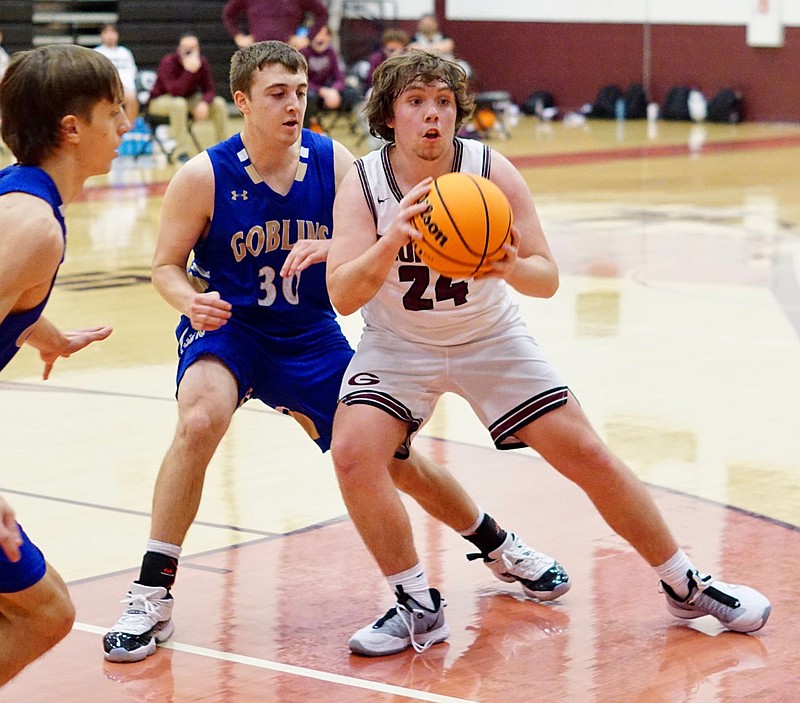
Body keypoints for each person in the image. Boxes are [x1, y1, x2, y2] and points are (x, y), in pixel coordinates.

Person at [102, 40, 568, 664]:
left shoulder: (335, 160)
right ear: (242, 101)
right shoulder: (203, 175)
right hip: (231, 329)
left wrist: (333, 251)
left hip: (310, 331)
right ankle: (150, 595)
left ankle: (499, 544)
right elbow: (162, 267)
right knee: (200, 419)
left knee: (389, 459)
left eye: (298, 92)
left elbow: (371, 231)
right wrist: (187, 300)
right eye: (277, 94)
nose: (293, 104)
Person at [325, 51, 772, 657]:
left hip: (490, 337)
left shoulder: (488, 168)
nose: (432, 115)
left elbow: (547, 277)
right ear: (389, 115)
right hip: (399, 344)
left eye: (444, 103)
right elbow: (343, 296)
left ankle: (685, 583)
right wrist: (389, 242)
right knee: (353, 453)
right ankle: (416, 605)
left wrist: (510, 264)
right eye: (416, 102)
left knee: (588, 452)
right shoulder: (365, 183)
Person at [0, 44, 125, 686]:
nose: (126, 125)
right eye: (114, 111)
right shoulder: (32, 224)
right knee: (44, 613)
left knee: (42, 610)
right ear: (71, 128)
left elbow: (6, 301)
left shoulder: (27, 205)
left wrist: (44, 333)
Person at [148, 34, 229, 163]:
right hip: (160, 100)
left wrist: (204, 103)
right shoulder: (168, 62)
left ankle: (225, 149)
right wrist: (189, 71)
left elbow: (210, 89)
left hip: (187, 99)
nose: (189, 52)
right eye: (186, 48)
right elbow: (175, 91)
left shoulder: (201, 62)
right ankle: (182, 152)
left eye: (193, 48)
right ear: (179, 49)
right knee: (178, 104)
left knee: (218, 103)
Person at [300, 25, 361, 130]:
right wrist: (322, 91)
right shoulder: (303, 53)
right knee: (309, 96)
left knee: (354, 93)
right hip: (311, 90)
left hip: (328, 90)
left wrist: (334, 91)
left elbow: (340, 77)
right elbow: (301, 80)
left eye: (325, 34)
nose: (321, 38)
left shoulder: (331, 52)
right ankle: (308, 127)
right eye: (318, 34)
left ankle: (358, 129)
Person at [222, 0, 329, 50]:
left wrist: (307, 39)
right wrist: (238, 36)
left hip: (288, 53)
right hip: (258, 53)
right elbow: (229, 13)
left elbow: (322, 13)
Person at [94, 23, 139, 120]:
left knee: (132, 98)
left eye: (113, 32)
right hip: (107, 89)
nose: (110, 36)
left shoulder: (125, 52)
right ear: (101, 35)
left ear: (117, 35)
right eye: (106, 32)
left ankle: (129, 129)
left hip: (126, 89)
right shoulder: (97, 53)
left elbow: (132, 72)